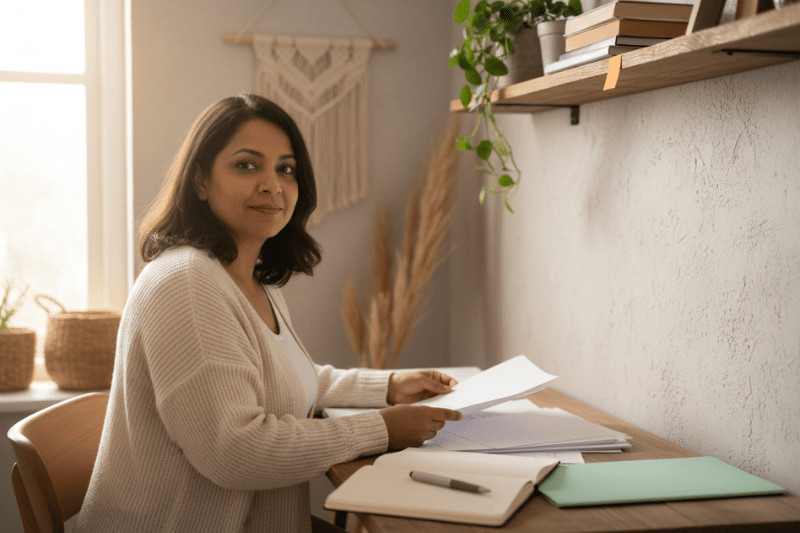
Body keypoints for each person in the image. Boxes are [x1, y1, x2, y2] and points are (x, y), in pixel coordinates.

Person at [73, 94, 462, 533]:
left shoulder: (255, 281)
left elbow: (283, 378)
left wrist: (388, 386)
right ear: (200, 181)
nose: (272, 184)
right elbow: (237, 451)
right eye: (246, 165)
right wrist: (381, 430)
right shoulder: (185, 284)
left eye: (286, 168)